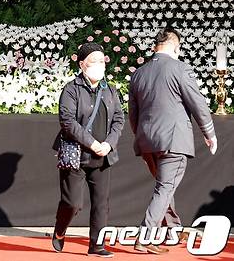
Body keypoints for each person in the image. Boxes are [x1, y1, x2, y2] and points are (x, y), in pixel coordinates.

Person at [129, 27, 218, 254]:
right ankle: (145, 236)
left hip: (147, 140)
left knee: (164, 187)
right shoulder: (180, 69)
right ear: (176, 46)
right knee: (165, 188)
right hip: (172, 139)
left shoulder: (139, 73)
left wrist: (141, 138)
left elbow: (133, 113)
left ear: (155, 47)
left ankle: (173, 230)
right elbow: (197, 104)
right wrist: (209, 133)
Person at [51, 42, 124, 258]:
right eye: (94, 61)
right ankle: (60, 228)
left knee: (101, 203)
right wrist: (92, 143)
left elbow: (119, 119)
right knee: (72, 203)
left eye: (102, 61)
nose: (100, 66)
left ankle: (96, 245)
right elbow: (67, 121)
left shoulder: (110, 90)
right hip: (76, 155)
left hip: (103, 155)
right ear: (82, 64)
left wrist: (108, 144)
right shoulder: (71, 89)